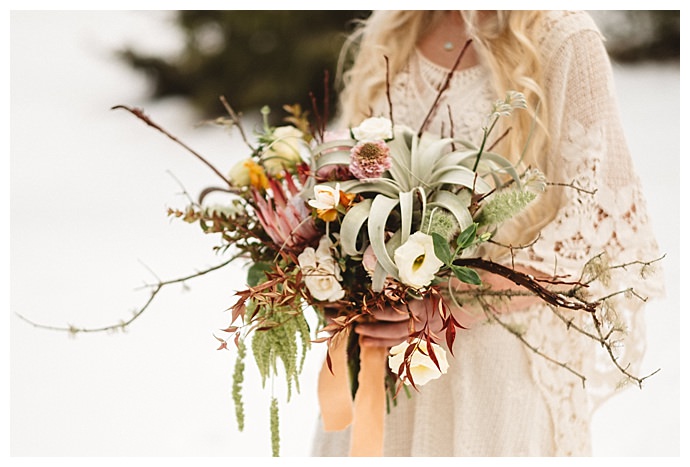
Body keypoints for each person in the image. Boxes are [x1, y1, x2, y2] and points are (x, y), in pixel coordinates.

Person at [310, 10, 665, 456]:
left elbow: (600, 232)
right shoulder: (393, 27)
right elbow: (347, 179)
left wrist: (450, 302)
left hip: (497, 371)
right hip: (380, 366)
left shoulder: (564, 36)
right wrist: (336, 278)